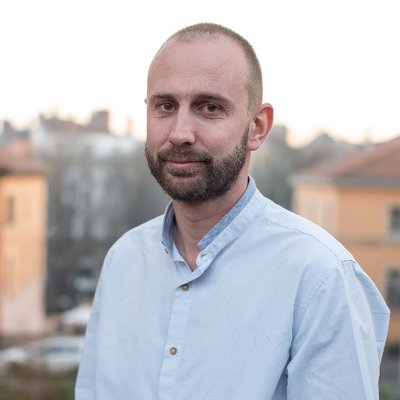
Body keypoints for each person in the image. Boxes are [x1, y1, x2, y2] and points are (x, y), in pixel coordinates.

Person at [75, 22, 390, 399]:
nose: (180, 133)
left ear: (257, 127)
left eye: (209, 108)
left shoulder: (320, 278)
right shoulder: (124, 260)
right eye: (165, 106)